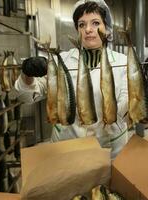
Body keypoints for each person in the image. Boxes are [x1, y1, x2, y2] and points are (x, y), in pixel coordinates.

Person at [14, 0, 130, 158]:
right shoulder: (61, 60)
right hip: (66, 146)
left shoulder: (123, 62)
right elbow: (27, 96)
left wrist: (144, 85)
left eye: (95, 23)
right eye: (82, 25)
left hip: (108, 147)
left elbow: (130, 105)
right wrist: (27, 74)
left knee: (108, 182)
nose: (88, 29)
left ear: (107, 30)